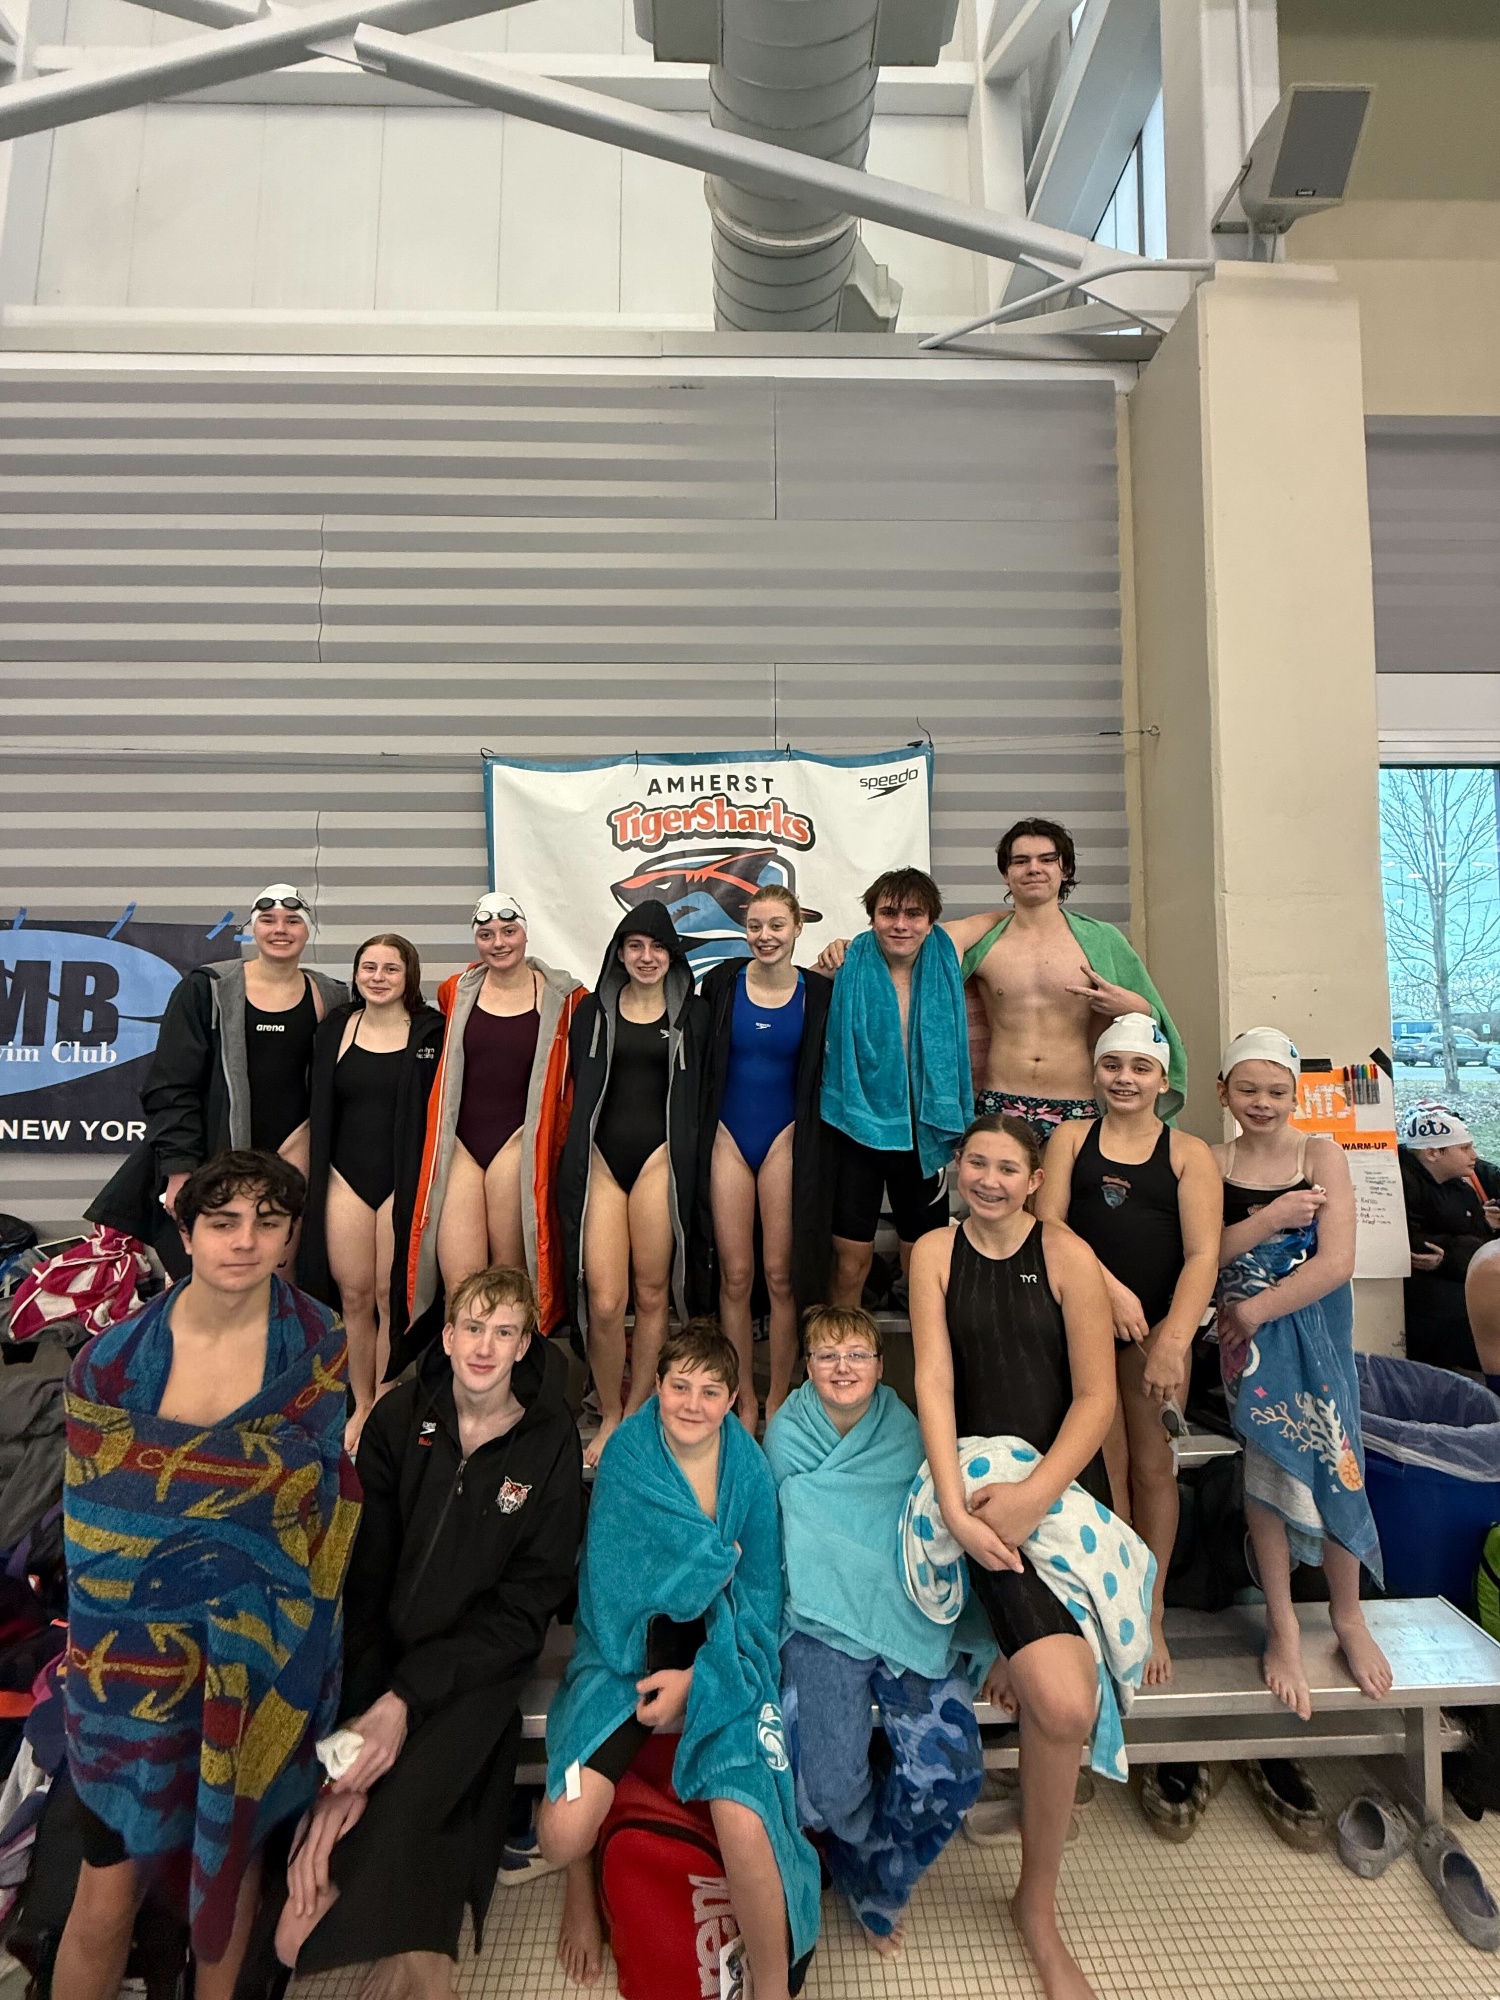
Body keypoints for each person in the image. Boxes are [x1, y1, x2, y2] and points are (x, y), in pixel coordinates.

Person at [57, 1150, 359, 2000]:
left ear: (291, 1236)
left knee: (231, 1887)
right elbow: (99, 1540)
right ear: (185, 1234)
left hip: (254, 1666)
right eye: (223, 1223)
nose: (245, 1241)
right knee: (104, 1899)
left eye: (268, 1222)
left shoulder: (315, 1345)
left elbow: (313, 1509)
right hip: (130, 1687)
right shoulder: (110, 1365)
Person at [268, 1265, 583, 2000]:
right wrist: (357, 1733)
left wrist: (404, 1702)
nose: (484, 1346)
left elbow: (527, 1605)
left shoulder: (548, 1442)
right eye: (472, 1328)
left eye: (503, 1332)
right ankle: (418, 1949)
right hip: (386, 1654)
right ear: (446, 1337)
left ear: (524, 1345)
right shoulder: (399, 1419)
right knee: (291, 1937)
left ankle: (419, 1958)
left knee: (413, 1801)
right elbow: (365, 1580)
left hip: (481, 1666)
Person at [537, 1320, 819, 2000]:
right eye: (679, 1387)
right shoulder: (629, 1457)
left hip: (722, 1658)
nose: (693, 1404)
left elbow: (759, 1599)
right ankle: (580, 1880)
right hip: (625, 1655)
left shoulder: (747, 1470)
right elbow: (608, 1590)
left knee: (745, 1819)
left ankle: (772, 1987)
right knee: (560, 1833)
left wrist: (698, 1682)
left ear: (733, 1400)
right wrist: (712, 1563)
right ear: (655, 1386)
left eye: (711, 1391)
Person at [908, 1114, 1117, 2000]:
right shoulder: (933, 1252)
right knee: (1062, 1702)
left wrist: (1037, 1498)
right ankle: (1036, 1903)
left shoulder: (1066, 1254)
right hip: (980, 1490)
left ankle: (1036, 1900)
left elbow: (1098, 1398)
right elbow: (933, 1379)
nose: (988, 1180)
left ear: (1034, 1180)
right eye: (975, 1163)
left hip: (1062, 1490)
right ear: (957, 1169)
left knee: (1061, 1705)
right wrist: (955, 1505)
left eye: (1006, 1168)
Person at [762, 1304, 989, 1957]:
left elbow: (930, 1525)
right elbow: (782, 1535)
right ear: (807, 1366)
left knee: (953, 1768)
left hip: (903, 1613)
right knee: (827, 1789)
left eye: (857, 1354)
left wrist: (984, 1635)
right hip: (820, 1622)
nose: (843, 1368)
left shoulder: (906, 1429)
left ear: (880, 1366)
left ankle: (878, 1874)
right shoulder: (786, 1435)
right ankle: (856, 1849)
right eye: (827, 1356)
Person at [1034, 1014, 1220, 1684]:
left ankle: (1153, 1607)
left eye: (1141, 1068)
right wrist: (1106, 1289)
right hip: (1084, 1326)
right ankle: (1113, 1599)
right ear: (1095, 1072)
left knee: (1153, 1470)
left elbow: (1203, 1255)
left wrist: (1175, 1339)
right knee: (1105, 1471)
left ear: (1163, 1080)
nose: (1125, 1079)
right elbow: (1049, 1222)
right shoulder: (1070, 1138)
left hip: (1158, 1332)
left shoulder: (1188, 1154)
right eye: (1112, 1065)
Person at [1212, 1028, 1390, 1723]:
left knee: (1337, 1461)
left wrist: (1256, 1308)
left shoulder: (1321, 1154)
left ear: (1295, 1096)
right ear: (1223, 1092)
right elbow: (1200, 1253)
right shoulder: (1212, 1160)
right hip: (1249, 1349)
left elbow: (1337, 1261)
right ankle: (1282, 1624)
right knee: (1266, 1467)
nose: (1262, 1102)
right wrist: (1271, 1220)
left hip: (1307, 1332)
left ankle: (1348, 1615)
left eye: (1276, 1091)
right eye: (1247, 1089)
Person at [820, 821, 1184, 1148]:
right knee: (995, 1201)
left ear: (1065, 869)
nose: (1033, 868)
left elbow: (1156, 1019)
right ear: (1005, 874)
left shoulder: (1102, 941)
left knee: (1061, 1201)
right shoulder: (985, 941)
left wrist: (1134, 1007)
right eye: (1020, 860)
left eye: (1046, 859)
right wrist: (851, 948)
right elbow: (905, 948)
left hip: (1074, 1102)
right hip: (1000, 1099)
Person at [89, 885, 347, 1278]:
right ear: (252, 928)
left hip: (295, 1154)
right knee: (212, 1279)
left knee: (281, 1277)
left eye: (292, 920)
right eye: (268, 920)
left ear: (308, 929)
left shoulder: (331, 996)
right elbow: (172, 1086)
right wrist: (179, 1170)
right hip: (218, 1154)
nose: (280, 929)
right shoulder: (207, 989)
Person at [558, 901, 711, 1466]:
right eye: (635, 946)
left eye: (657, 947)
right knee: (603, 1300)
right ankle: (609, 1410)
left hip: (659, 1161)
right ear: (619, 954)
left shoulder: (693, 1016)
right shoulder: (591, 1013)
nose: (646, 958)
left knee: (651, 1295)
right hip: (602, 1162)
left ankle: (639, 1410)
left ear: (672, 955)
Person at [406, 894, 585, 1352]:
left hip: (516, 1143)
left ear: (525, 934)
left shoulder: (564, 998)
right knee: (460, 1283)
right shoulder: (457, 990)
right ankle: (462, 1379)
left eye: (508, 932)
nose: (499, 943)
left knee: (510, 1278)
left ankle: (515, 1375)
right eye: (486, 935)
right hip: (462, 1146)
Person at [298, 933, 444, 1449]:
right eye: (369, 967)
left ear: (409, 977)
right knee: (355, 1297)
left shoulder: (431, 1032)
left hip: (403, 1181)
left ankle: (386, 1400)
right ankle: (360, 1403)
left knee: (390, 1295)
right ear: (356, 974)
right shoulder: (335, 1029)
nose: (378, 977)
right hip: (345, 1178)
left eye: (390, 968)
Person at [699, 885, 833, 1427]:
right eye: (755, 926)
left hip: (784, 1138)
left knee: (780, 1276)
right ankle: (743, 1396)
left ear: (798, 927)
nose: (765, 936)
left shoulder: (818, 993)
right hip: (728, 1137)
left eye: (777, 925)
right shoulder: (722, 983)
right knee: (735, 1276)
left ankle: (778, 1394)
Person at [819, 869, 974, 1309]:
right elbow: (786, 988)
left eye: (913, 914)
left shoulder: (947, 953)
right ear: (872, 918)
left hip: (923, 1130)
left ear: (930, 920)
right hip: (857, 1130)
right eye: (888, 913)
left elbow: (1012, 913)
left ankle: (928, 1355)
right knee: (849, 1264)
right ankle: (839, 1347)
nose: (900, 925)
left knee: (922, 1263)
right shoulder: (846, 964)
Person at [1397, 1100, 1500, 1374]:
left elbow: (1480, 1243)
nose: (1474, 1155)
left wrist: (1451, 1252)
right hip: (1427, 1302)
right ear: (1433, 1153)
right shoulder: (1400, 1185)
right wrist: (1454, 1254)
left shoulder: (1460, 1184)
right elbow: (1417, 1246)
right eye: (1465, 1148)